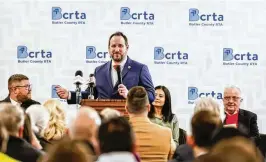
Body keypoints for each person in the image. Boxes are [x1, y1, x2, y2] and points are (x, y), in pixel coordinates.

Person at [56, 31, 155, 103]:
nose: (116, 49)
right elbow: (91, 94)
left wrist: (130, 95)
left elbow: (151, 95)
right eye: (113, 46)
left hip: (129, 122)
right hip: (104, 123)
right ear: (108, 48)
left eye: (120, 46)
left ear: (127, 48)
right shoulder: (99, 71)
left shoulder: (139, 69)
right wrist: (69, 95)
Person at [126, 86, 176, 162]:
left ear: (126, 108)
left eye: (161, 96)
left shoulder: (117, 135)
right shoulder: (167, 133)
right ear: (149, 107)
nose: (157, 98)